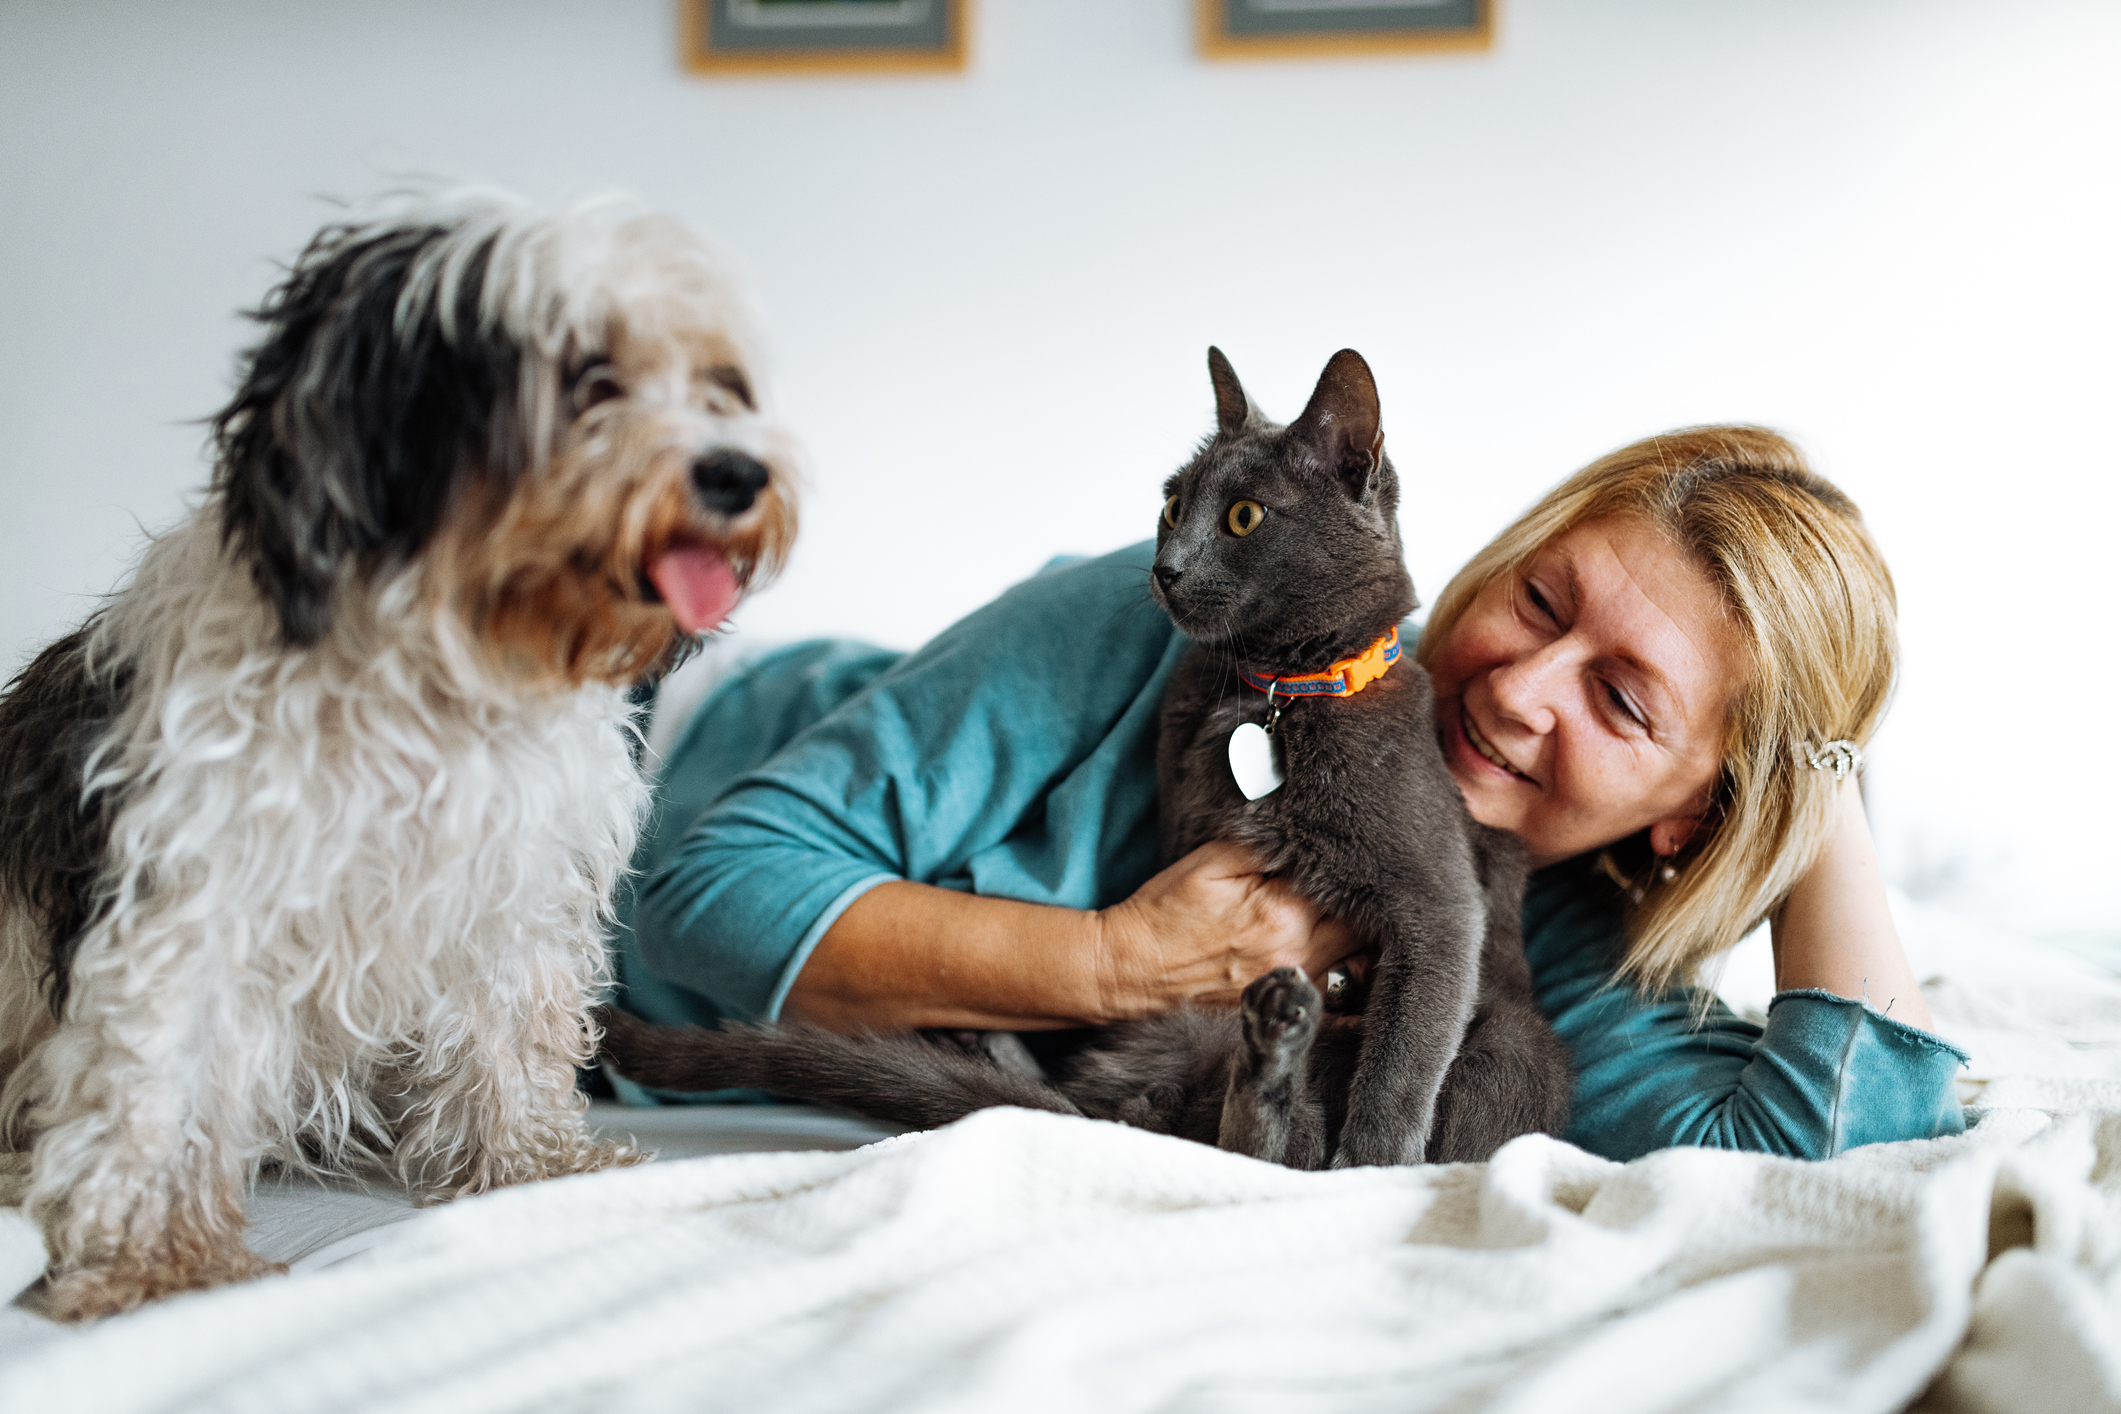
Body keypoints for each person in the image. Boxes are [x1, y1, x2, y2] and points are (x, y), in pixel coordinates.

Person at [610, 425, 1968, 1161]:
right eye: (1538, 597)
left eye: (1620, 701)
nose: (1514, 687)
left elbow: (1847, 1143)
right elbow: (701, 899)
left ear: (1688, 812)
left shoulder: (1537, 943)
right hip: (650, 732)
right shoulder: (1194, 627)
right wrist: (1111, 958)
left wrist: (1815, 773)